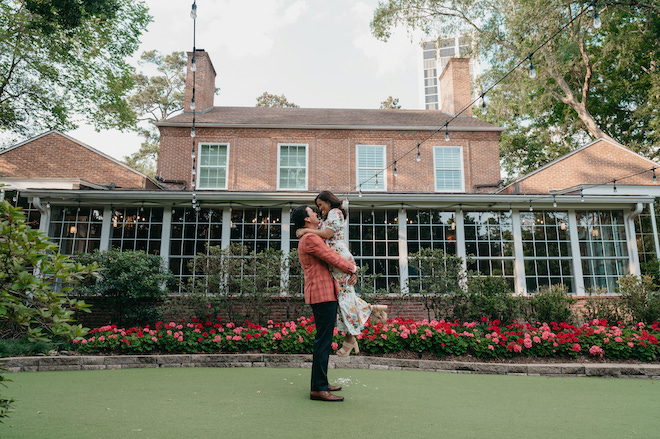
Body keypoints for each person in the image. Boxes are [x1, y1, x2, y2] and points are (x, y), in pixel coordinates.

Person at [296, 191, 388, 357]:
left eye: (320, 205)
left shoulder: (335, 212)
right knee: (344, 296)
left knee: (344, 297)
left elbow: (327, 235)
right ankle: (371, 309)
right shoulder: (328, 216)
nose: (319, 209)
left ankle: (351, 338)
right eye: (316, 207)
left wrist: (306, 232)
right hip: (337, 257)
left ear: (328, 201)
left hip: (338, 255)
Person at [291, 204, 358, 402]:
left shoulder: (311, 236)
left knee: (324, 340)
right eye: (313, 212)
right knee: (323, 341)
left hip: (324, 294)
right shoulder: (310, 238)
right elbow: (331, 257)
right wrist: (353, 268)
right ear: (306, 219)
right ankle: (318, 389)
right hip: (322, 295)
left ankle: (321, 383)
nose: (316, 213)